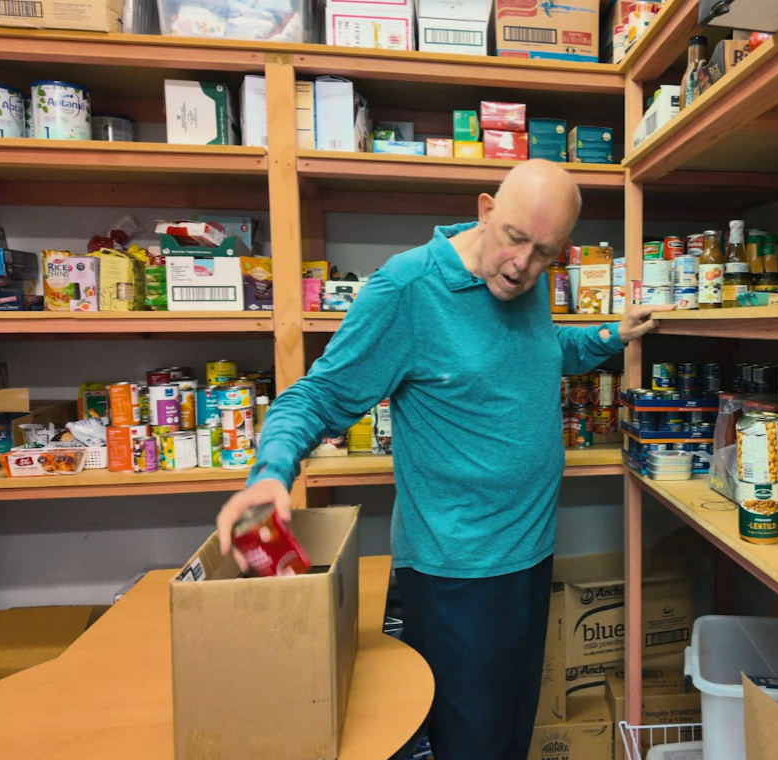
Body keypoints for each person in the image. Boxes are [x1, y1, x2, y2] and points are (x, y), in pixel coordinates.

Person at [216, 159, 671, 759]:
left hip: (529, 556)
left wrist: (611, 337)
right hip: (458, 575)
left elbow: (542, 348)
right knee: (472, 747)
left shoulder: (522, 280)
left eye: (545, 253)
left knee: (511, 735)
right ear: (485, 210)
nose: (522, 265)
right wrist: (270, 471)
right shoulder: (406, 290)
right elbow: (317, 394)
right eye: (513, 239)